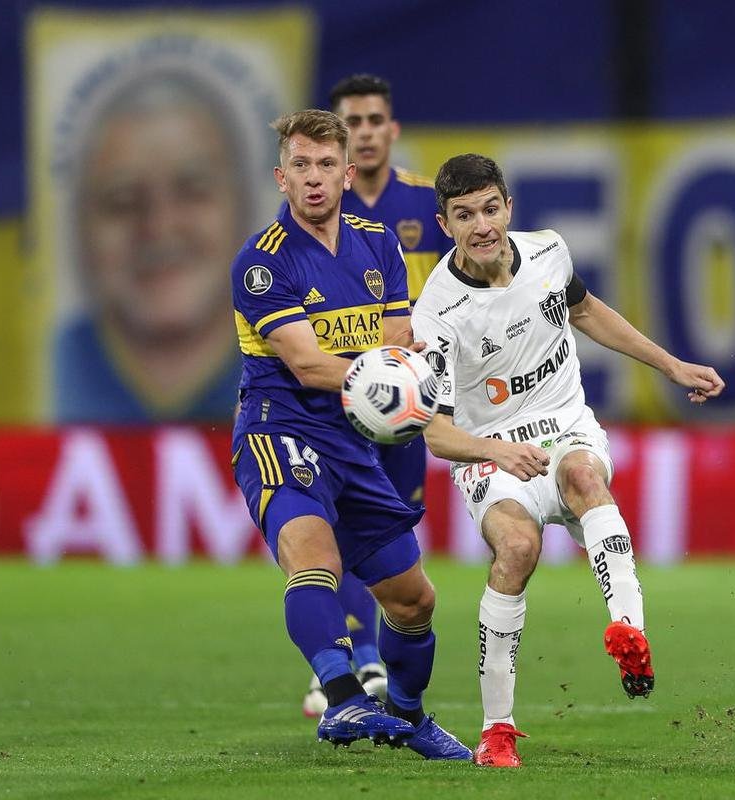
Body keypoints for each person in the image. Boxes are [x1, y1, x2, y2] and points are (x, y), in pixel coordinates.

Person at [413, 154, 725, 767]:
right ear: (444, 223)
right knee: (518, 551)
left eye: (490, 208)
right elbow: (437, 434)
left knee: (585, 476)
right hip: (490, 453)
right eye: (464, 215)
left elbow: (584, 311)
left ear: (509, 205)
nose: (482, 226)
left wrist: (672, 366)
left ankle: (629, 630)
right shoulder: (437, 315)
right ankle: (497, 731)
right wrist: (499, 450)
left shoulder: (550, 253)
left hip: (565, 427)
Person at [229, 109, 468, 759]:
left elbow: (394, 339)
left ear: (349, 171)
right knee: (317, 560)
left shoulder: (379, 242)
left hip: (354, 441)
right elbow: (307, 365)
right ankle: (341, 701)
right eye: (300, 166)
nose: (313, 179)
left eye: (326, 165)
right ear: (281, 177)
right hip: (281, 431)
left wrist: (410, 374)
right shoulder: (261, 263)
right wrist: (392, 376)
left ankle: (409, 716)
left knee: (414, 600)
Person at [299, 73, 452, 717]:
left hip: (412, 404)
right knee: (333, 531)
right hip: (340, 405)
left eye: (372, 121)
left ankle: (382, 665)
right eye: (350, 123)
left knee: (393, 531)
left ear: (391, 130)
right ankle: (354, 659)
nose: (363, 132)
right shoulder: (317, 215)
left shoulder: (430, 206)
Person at [56, 69, 249, 423]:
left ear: (242, 209)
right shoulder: (50, 370)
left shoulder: (304, 365)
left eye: (194, 190)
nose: (159, 228)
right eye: (122, 200)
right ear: (82, 230)